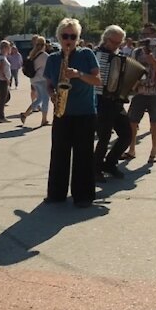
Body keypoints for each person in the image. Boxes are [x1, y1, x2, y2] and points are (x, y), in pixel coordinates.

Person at [44, 18, 101, 207]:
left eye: (73, 36)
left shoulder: (87, 55)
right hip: (62, 113)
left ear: (78, 38)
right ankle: (56, 193)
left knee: (83, 155)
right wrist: (52, 94)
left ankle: (83, 196)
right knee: (59, 154)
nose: (69, 40)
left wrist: (78, 74)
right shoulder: (52, 58)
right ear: (58, 37)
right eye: (65, 36)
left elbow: (97, 81)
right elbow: (49, 84)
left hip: (84, 112)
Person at [92, 25, 132, 179]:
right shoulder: (97, 55)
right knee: (104, 137)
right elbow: (95, 81)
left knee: (127, 135)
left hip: (116, 102)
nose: (116, 45)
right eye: (113, 42)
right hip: (102, 102)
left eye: (119, 43)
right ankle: (95, 168)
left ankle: (110, 163)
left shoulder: (120, 57)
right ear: (105, 38)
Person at [126, 35, 156, 162]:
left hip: (155, 94)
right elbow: (131, 69)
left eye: (149, 34)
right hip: (140, 93)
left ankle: (153, 151)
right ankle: (131, 149)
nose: (147, 39)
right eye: (144, 34)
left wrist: (153, 61)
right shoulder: (137, 52)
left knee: (155, 123)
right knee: (132, 122)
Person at [19, 35, 51, 127]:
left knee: (40, 98)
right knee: (45, 99)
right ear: (44, 45)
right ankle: (44, 120)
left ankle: (25, 114)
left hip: (34, 80)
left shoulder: (32, 54)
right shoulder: (44, 55)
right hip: (42, 79)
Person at [0, 40, 13, 122]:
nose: (9, 49)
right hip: (2, 80)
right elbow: (1, 69)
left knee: (6, 98)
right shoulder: (1, 58)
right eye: (8, 47)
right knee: (2, 99)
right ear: (4, 48)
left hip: (2, 80)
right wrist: (6, 79)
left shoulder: (2, 57)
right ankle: (1, 116)